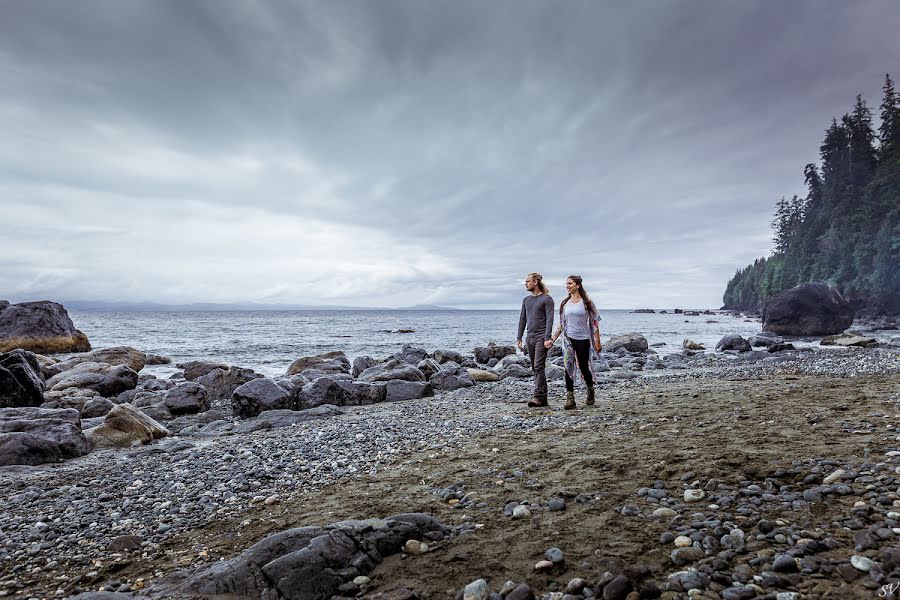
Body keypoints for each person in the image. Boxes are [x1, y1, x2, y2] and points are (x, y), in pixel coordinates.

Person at [546, 275, 601, 409]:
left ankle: (590, 390)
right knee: (568, 366)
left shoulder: (587, 302)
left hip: (583, 339)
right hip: (568, 339)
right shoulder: (565, 303)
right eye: (567, 284)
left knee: (583, 366)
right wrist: (553, 339)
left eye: (570, 283)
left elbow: (595, 322)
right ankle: (570, 398)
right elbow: (562, 324)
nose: (567, 286)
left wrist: (598, 341)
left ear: (578, 285)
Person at [516, 272, 554, 407]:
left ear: (535, 282)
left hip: (541, 337)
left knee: (538, 366)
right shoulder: (526, 300)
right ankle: (543, 398)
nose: (525, 284)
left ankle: (537, 396)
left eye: (527, 281)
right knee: (536, 368)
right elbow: (522, 319)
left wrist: (548, 337)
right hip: (529, 337)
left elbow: (550, 319)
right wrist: (519, 338)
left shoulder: (547, 299)